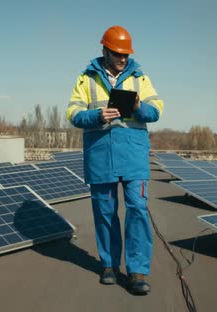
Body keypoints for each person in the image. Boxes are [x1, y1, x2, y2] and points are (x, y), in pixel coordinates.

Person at [65, 25, 164, 295]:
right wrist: (97, 116)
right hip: (101, 156)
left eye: (126, 54)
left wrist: (137, 107)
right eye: (117, 54)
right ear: (105, 51)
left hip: (133, 156)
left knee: (137, 209)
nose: (123, 59)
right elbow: (73, 113)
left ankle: (137, 271)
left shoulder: (140, 78)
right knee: (105, 213)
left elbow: (157, 110)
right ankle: (109, 265)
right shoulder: (86, 78)